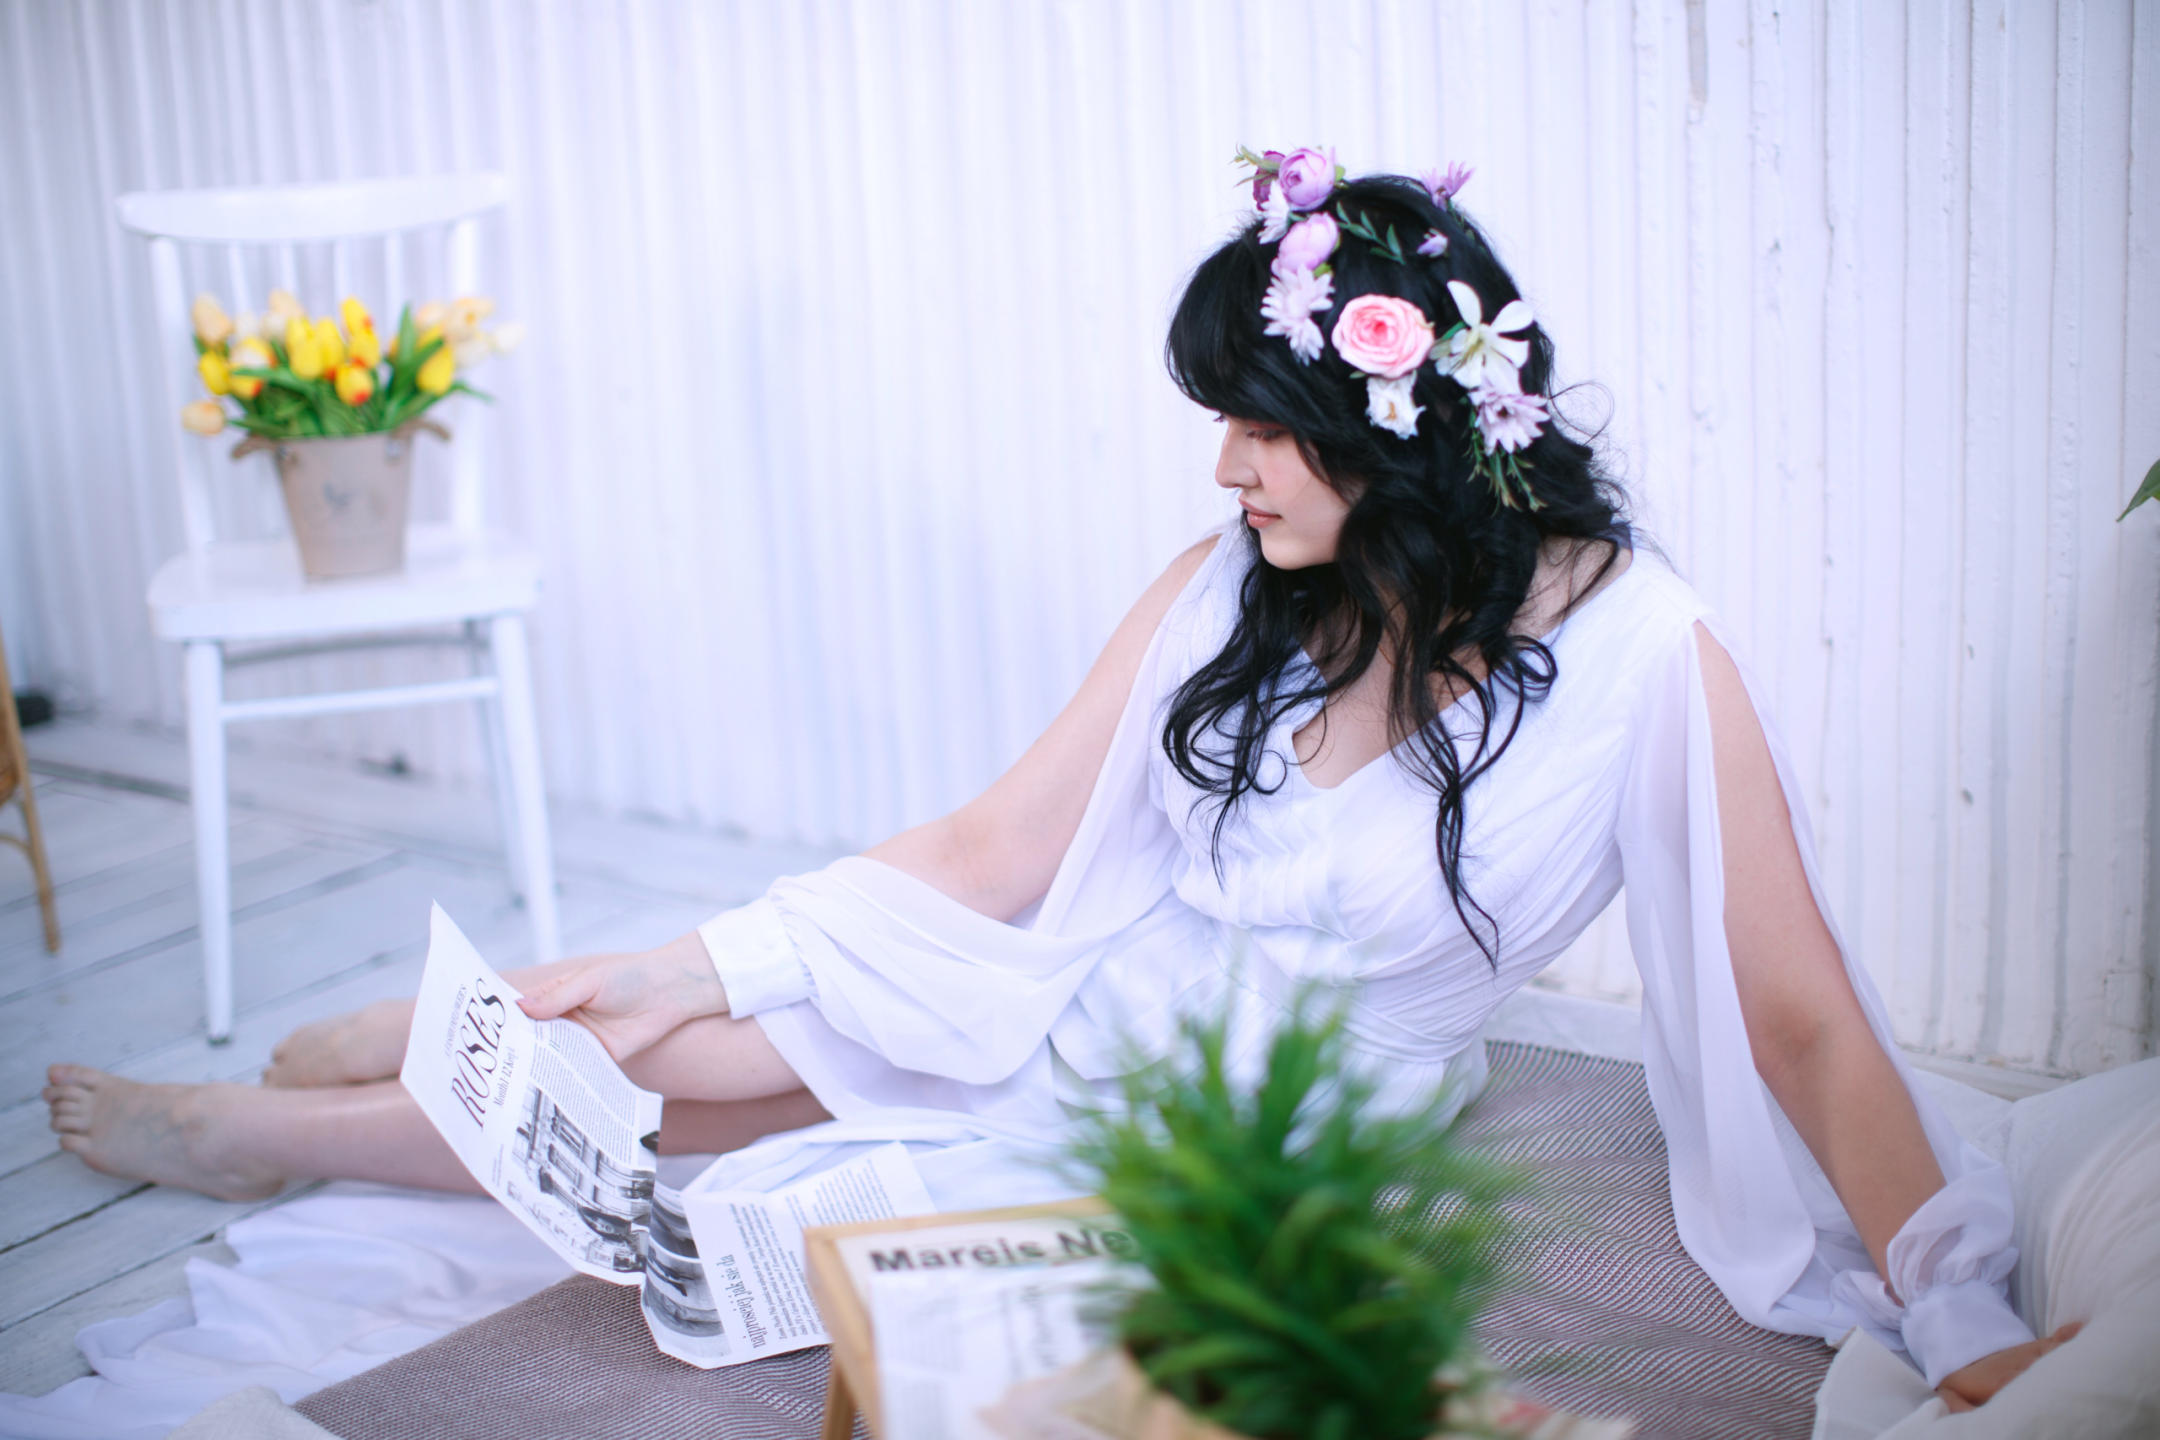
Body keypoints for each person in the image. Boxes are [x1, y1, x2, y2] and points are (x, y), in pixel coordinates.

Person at [47, 153, 2072, 1410]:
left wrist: (1955, 1305)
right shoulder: (1246, 575)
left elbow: (1802, 1019)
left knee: (709, 1137)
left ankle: (272, 1127)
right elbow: (1002, 843)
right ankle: (419, 1053)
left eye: (1258, 426)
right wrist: (704, 953)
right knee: (698, 1029)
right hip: (1099, 974)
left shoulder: (1643, 659)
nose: (1223, 468)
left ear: (1392, 425)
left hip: (1261, 1120)